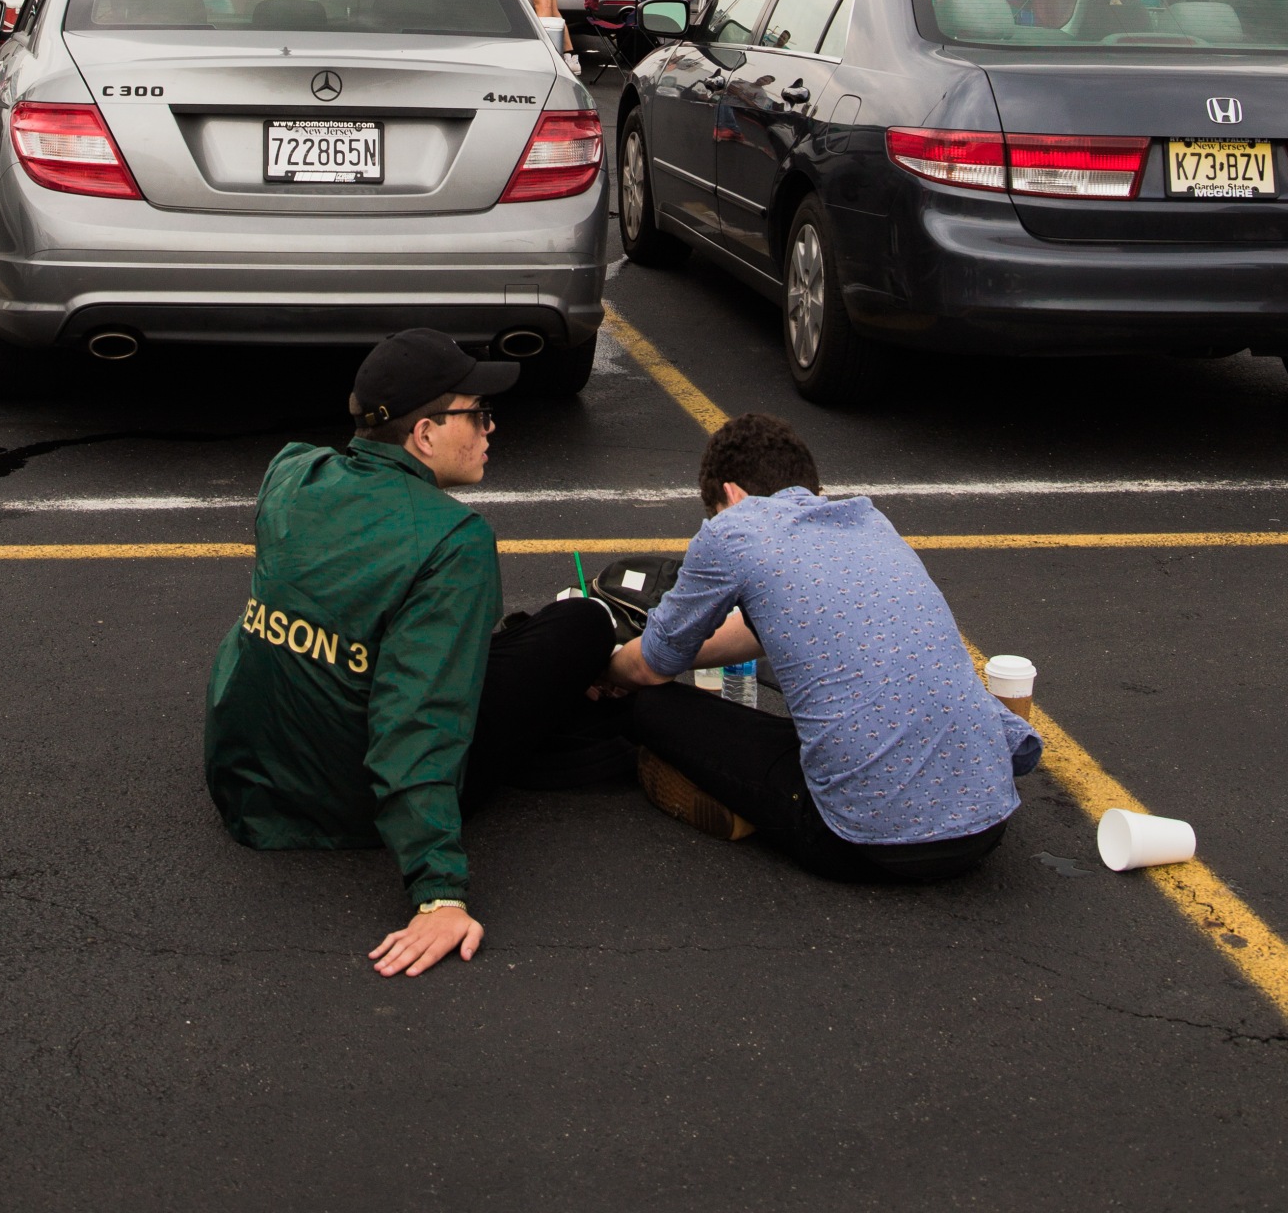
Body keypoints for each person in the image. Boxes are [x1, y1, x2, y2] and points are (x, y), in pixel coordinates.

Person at [203, 328, 619, 978]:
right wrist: (438, 891)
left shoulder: (291, 473)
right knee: (582, 625)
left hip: (247, 775)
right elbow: (417, 715)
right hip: (349, 798)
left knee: (484, 646)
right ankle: (609, 700)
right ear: (424, 436)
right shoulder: (455, 540)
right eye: (476, 414)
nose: (490, 428)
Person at [608, 413, 1041, 883]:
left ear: (730, 495)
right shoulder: (869, 522)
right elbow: (764, 628)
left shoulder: (734, 531)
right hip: (986, 824)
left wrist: (608, 668)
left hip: (863, 843)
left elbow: (652, 667)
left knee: (650, 707)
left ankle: (732, 803)